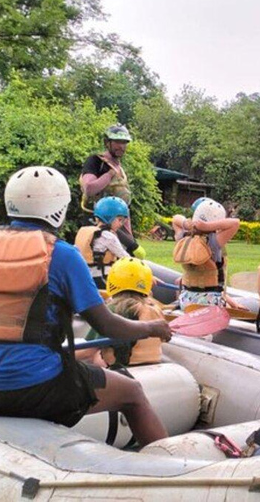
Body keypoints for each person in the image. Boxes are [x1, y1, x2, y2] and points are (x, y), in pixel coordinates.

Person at [0, 166, 172, 446]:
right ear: (59, 208)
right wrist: (151, 327)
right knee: (132, 392)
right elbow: (108, 325)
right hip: (36, 386)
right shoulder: (63, 255)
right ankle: (172, 474)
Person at [84, 257, 164, 368]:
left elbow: (88, 350)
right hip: (154, 363)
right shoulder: (155, 308)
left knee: (96, 355)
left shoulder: (113, 309)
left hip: (123, 367)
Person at [80, 124, 145, 259]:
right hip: (99, 225)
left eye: (124, 142)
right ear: (107, 142)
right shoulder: (96, 162)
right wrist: (109, 174)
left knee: (135, 255)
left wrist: (129, 236)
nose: (121, 146)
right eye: (117, 142)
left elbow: (124, 207)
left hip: (118, 226)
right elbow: (89, 188)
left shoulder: (120, 168)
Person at [171, 198, 245, 310]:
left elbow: (175, 219)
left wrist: (188, 224)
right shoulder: (214, 241)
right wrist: (207, 226)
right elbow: (235, 223)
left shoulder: (183, 237)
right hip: (208, 301)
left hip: (186, 299)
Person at [75, 196, 131, 289]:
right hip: (101, 279)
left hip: (84, 277)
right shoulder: (108, 237)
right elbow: (125, 258)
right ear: (109, 217)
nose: (121, 224)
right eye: (119, 220)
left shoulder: (87, 231)